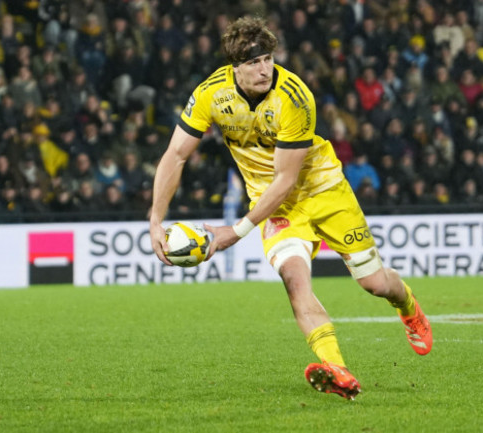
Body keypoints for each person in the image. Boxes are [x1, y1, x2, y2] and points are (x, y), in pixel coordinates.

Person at [149, 17, 432, 401]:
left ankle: (408, 304)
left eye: (267, 58)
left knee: (375, 283)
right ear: (235, 66)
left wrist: (237, 230)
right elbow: (176, 155)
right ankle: (339, 370)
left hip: (323, 191)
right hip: (277, 208)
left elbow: (286, 180)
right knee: (294, 280)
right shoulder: (210, 95)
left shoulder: (294, 96)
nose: (265, 69)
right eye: (254, 62)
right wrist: (155, 219)